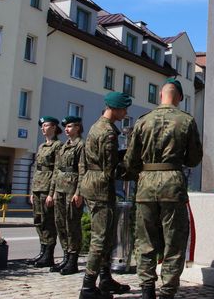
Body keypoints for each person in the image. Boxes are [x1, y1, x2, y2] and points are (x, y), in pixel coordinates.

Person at [123, 78, 203, 299]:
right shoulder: (186, 121)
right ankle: (167, 292)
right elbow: (195, 158)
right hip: (172, 184)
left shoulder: (143, 121)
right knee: (174, 241)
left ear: (161, 95)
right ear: (178, 97)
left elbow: (130, 160)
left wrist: (143, 170)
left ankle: (147, 290)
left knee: (145, 240)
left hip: (146, 184)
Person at [79, 92, 132, 299]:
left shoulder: (96, 125)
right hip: (101, 188)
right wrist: (130, 165)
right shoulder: (109, 133)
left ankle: (105, 279)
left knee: (107, 236)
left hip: (92, 183)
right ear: (116, 109)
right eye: (124, 109)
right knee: (100, 239)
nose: (126, 112)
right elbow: (110, 168)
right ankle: (88, 288)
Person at [46, 116, 85, 275]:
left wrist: (79, 192)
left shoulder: (80, 145)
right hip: (60, 188)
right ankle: (65, 256)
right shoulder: (63, 147)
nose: (67, 130)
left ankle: (73, 260)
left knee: (72, 224)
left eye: (70, 126)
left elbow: (82, 170)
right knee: (60, 223)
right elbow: (56, 170)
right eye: (66, 127)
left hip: (72, 188)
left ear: (77, 128)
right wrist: (53, 192)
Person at [28, 116, 62, 268]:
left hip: (47, 187)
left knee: (48, 221)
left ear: (54, 127)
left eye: (46, 125)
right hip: (37, 186)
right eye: (42, 126)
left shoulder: (58, 146)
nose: (43, 128)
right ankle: (42, 252)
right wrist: (31, 191)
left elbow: (56, 171)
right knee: (38, 221)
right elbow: (36, 169)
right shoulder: (42, 146)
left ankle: (48, 255)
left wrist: (51, 193)